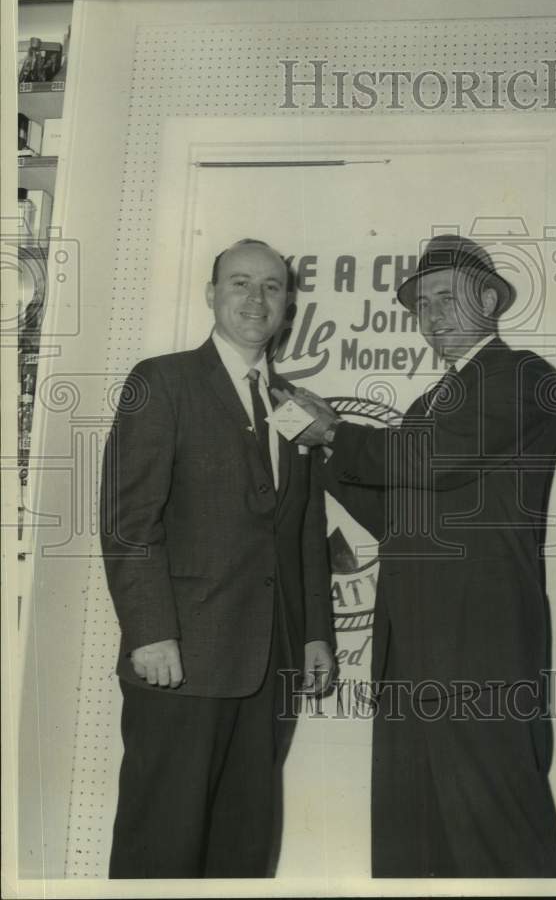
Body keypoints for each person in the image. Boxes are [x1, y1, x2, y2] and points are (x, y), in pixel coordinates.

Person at [278, 234, 556, 878]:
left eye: (448, 297)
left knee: (499, 832)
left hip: (480, 644)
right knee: (413, 838)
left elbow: (429, 461)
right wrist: (321, 451)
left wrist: (335, 431)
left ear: (490, 298)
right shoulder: (424, 405)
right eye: (422, 304)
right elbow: (399, 520)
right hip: (408, 643)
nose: (432, 315)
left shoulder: (524, 376)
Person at [100, 239, 334, 878]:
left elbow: (303, 532)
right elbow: (128, 522)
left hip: (271, 663)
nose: (256, 300)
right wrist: (150, 633)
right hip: (183, 662)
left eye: (272, 287)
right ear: (211, 295)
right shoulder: (163, 380)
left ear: (287, 306)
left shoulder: (295, 407)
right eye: (239, 283)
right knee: (163, 846)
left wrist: (315, 632)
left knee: (244, 851)